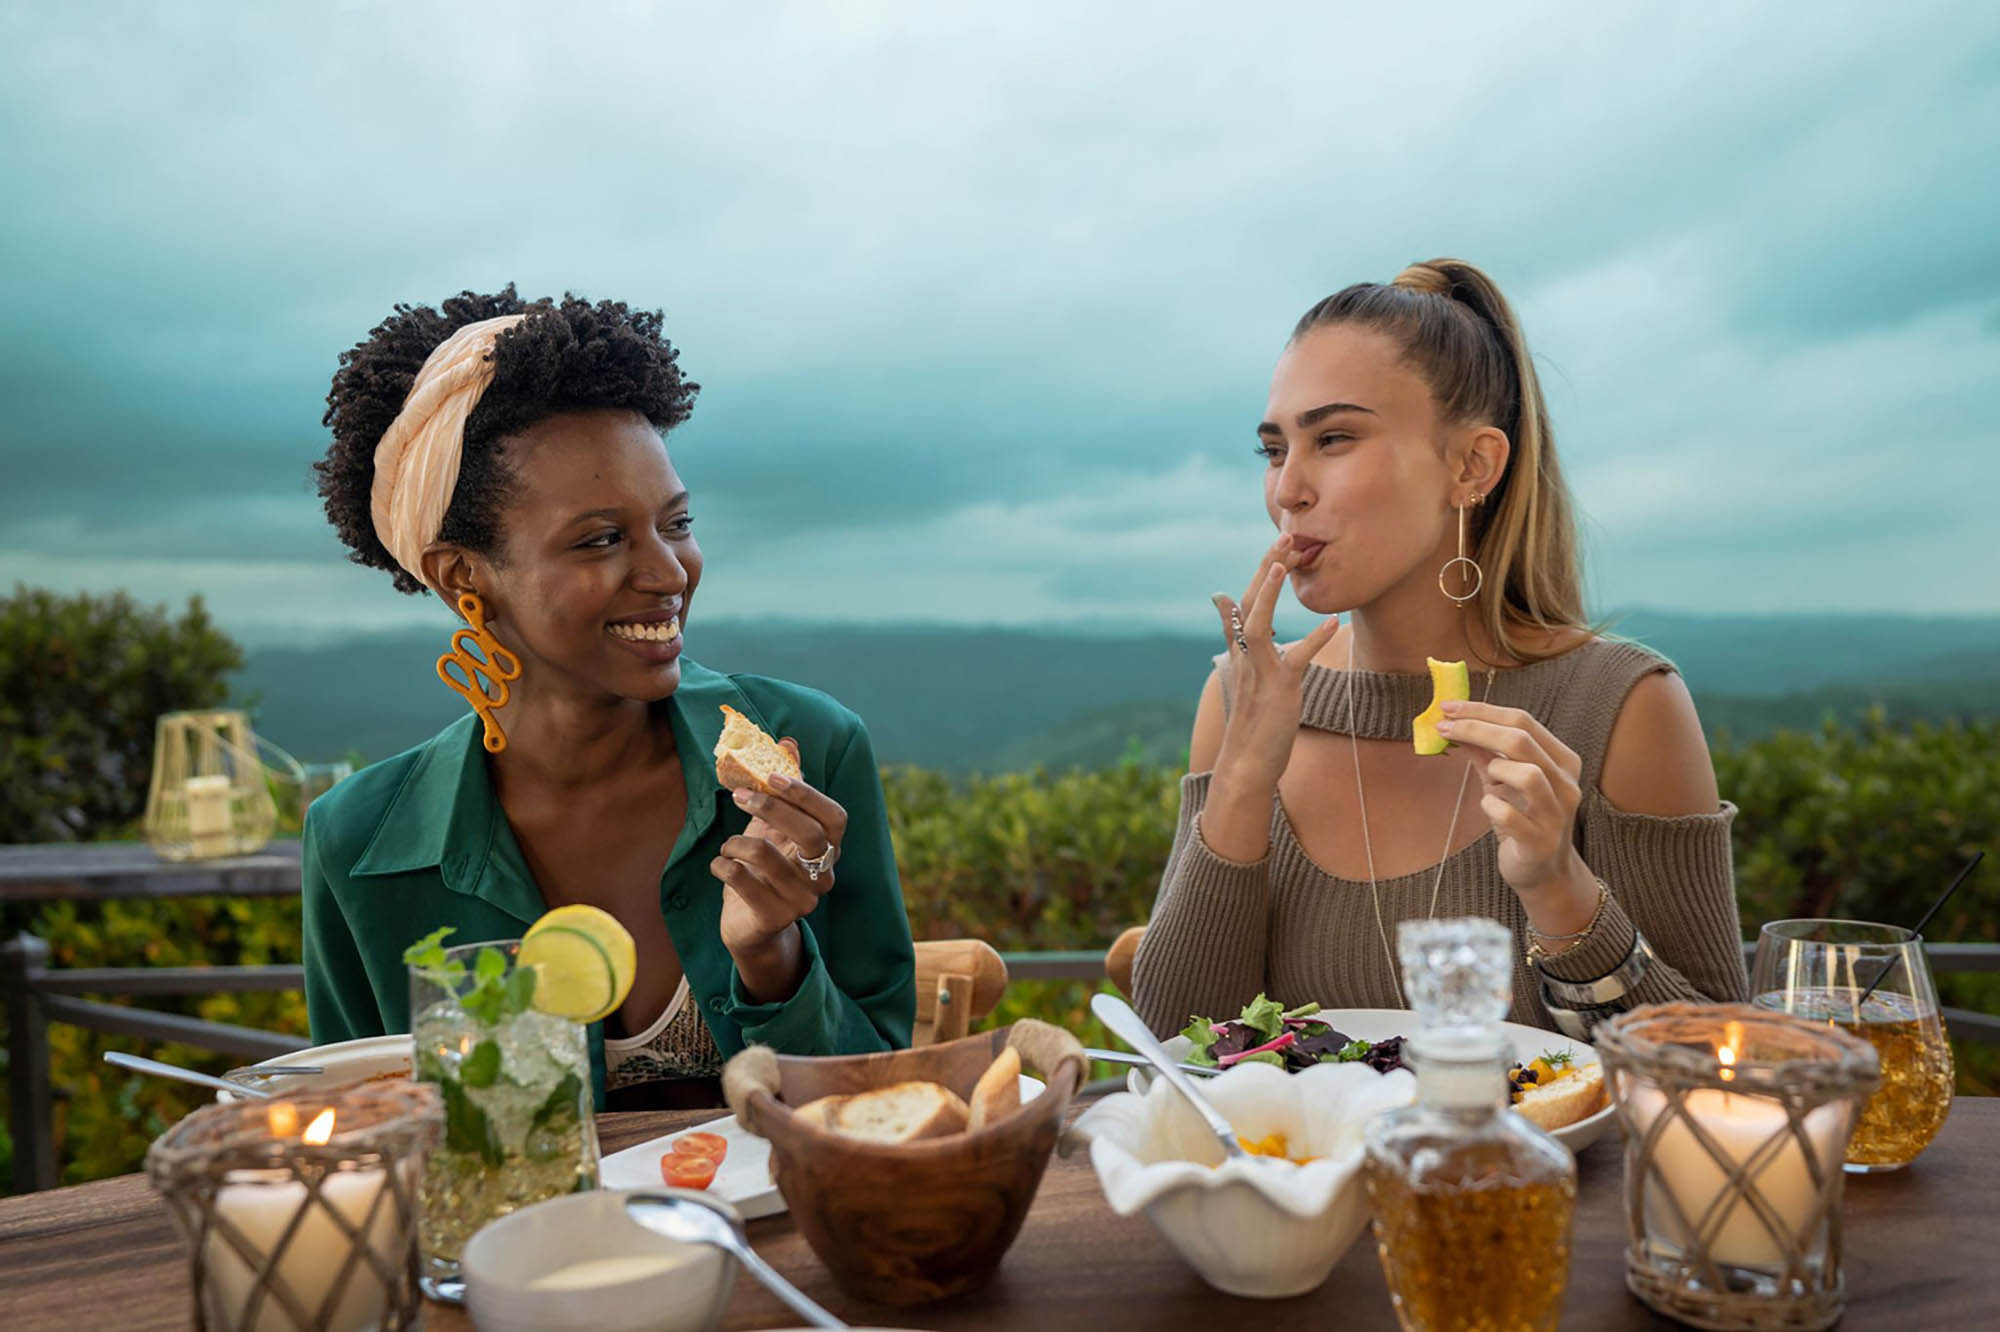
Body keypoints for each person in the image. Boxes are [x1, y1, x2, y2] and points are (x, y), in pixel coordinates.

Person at [302, 288, 915, 1107]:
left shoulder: (810, 750)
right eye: (600, 540)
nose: (668, 574)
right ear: (463, 577)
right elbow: (366, 1128)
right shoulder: (361, 846)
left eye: (678, 522)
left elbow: (882, 1098)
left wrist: (773, 962)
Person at [1132, 259, 1748, 1040]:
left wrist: (1562, 891)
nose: (1288, 487)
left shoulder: (1625, 708)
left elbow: (1724, 1071)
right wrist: (1244, 780)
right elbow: (1176, 1055)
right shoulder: (1240, 700)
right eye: (1274, 449)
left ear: (1471, 466)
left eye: (1335, 438)